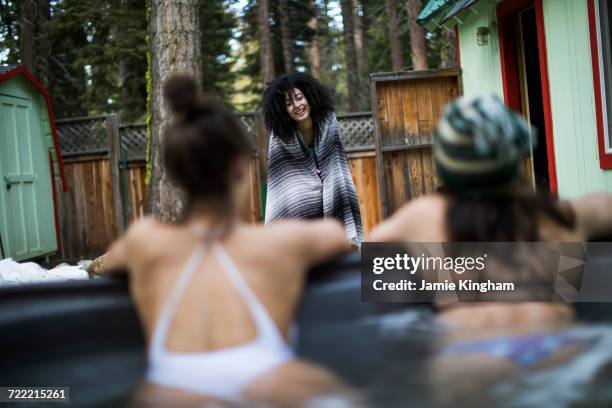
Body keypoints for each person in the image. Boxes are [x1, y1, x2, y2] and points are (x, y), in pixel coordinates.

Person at [103, 75, 359, 407]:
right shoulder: (281, 245)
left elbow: (111, 262)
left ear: (178, 175)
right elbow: (338, 236)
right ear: (240, 166)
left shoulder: (144, 243)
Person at [368, 94, 612, 404]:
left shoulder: (424, 217)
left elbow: (372, 247)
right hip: (560, 347)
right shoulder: (564, 217)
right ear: (515, 156)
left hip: (470, 358)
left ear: (446, 164)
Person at [263, 73, 363, 245]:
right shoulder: (280, 137)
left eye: (299, 98)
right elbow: (286, 186)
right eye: (288, 103)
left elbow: (336, 165)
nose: (297, 106)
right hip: (300, 205)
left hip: (332, 191)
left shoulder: (328, 122)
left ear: (309, 97)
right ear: (282, 110)